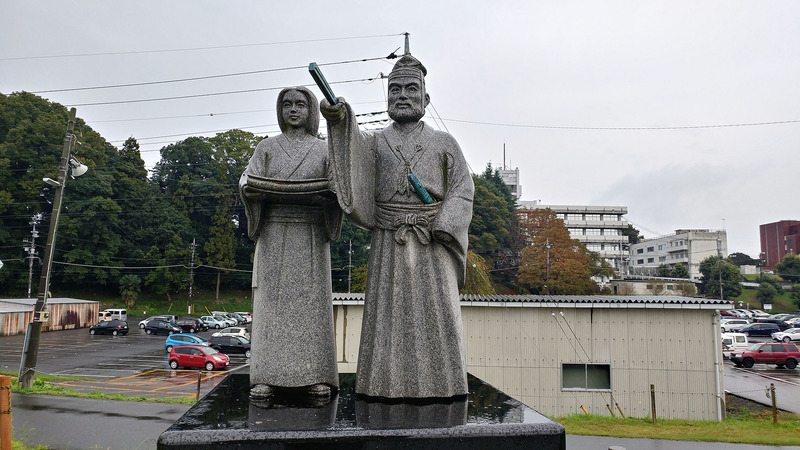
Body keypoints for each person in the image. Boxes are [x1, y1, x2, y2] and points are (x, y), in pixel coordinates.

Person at [320, 54, 474, 399]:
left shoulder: (444, 143)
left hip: (432, 240)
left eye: (411, 89)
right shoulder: (375, 142)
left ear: (426, 98)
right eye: (394, 89)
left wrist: (444, 224)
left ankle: (443, 384)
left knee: (437, 314)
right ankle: (381, 384)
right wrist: (340, 120)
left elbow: (463, 189)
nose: (402, 95)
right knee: (386, 316)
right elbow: (351, 157)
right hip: (389, 239)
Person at [240, 86, 341, 398]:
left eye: (300, 104)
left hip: (311, 234)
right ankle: (266, 376)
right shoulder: (267, 147)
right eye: (287, 104)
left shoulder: (324, 150)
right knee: (270, 307)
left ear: (311, 110)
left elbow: (338, 188)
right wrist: (251, 192)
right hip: (273, 233)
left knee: (313, 308)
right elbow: (247, 181)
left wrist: (327, 197)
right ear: (280, 110)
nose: (294, 110)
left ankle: (316, 375)